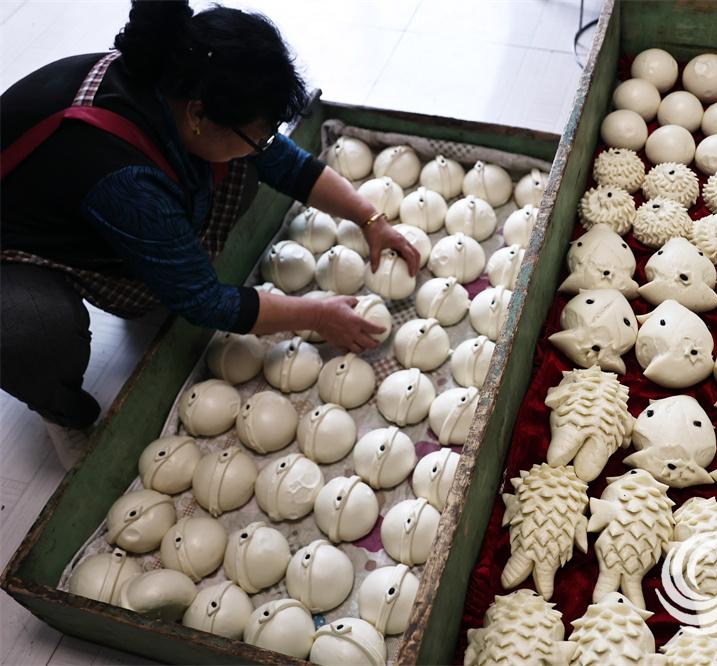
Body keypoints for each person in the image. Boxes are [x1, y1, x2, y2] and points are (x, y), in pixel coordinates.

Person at [0, 1, 419, 466]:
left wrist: (371, 219)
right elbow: (204, 302)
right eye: (257, 134)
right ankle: (61, 410)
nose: (263, 144)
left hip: (83, 207)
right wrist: (318, 316)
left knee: (244, 165)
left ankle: (164, 269)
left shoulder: (182, 82)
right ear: (199, 115)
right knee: (34, 331)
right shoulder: (125, 174)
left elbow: (282, 161)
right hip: (17, 246)